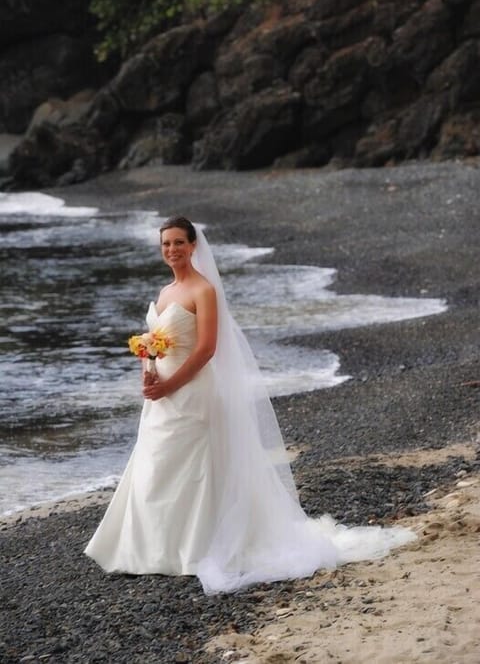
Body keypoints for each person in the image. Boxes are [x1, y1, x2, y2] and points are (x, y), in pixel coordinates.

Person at [84, 216, 415, 594]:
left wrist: (171, 383)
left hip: (193, 392)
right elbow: (157, 342)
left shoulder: (204, 290)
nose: (172, 249)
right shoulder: (164, 292)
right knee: (155, 463)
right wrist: (150, 372)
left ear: (193, 246)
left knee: (194, 466)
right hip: (162, 395)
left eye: (178, 242)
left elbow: (207, 348)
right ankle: (150, 548)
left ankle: (195, 550)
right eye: (166, 244)